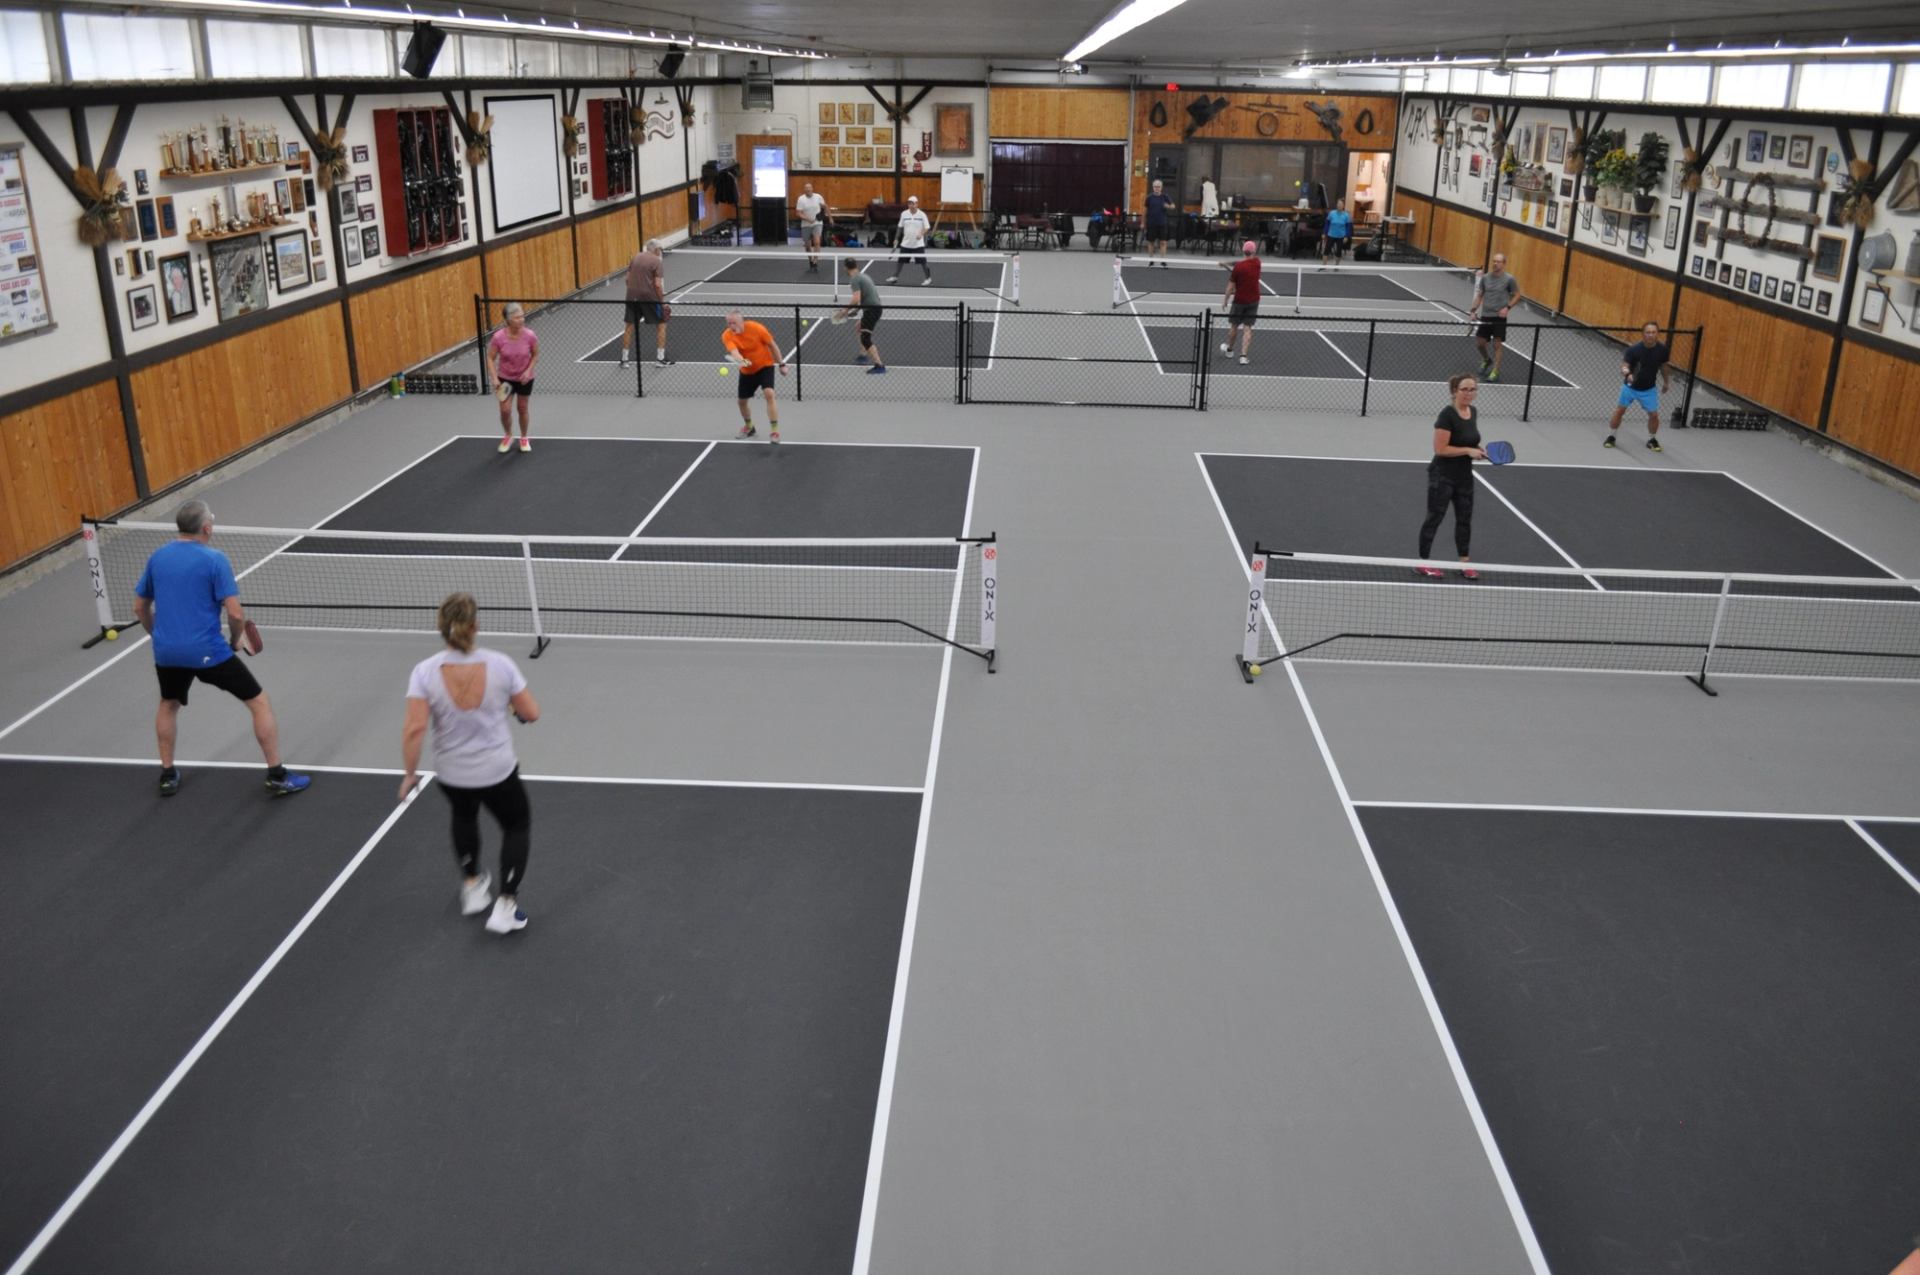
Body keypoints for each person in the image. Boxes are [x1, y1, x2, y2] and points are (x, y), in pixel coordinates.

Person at [133, 499, 310, 798]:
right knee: (258, 702)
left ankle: (167, 775)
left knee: (168, 704)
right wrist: (233, 641)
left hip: (168, 652)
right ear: (206, 527)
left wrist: (158, 636)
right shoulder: (215, 560)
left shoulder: (158, 557)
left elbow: (140, 607)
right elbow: (236, 614)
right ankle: (277, 775)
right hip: (208, 651)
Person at [400, 593, 538, 936]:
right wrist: (509, 705)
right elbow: (531, 713)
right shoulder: (501, 664)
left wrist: (409, 775)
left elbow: (415, 728)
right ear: (475, 626)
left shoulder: (424, 671)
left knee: (463, 816)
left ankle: (473, 887)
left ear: (442, 628)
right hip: (497, 771)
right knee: (516, 826)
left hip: (451, 773)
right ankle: (505, 907)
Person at [1416, 374, 1489, 580]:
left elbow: (1468, 441)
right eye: (1464, 389)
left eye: (1472, 389)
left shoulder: (1472, 411)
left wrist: (1476, 450)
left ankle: (1464, 563)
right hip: (1442, 476)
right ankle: (1423, 563)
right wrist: (1467, 450)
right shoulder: (1446, 415)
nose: (1468, 393)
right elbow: (1440, 449)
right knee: (1434, 518)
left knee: (1464, 520)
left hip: (1464, 477)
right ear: (1454, 391)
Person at [721, 310, 788, 442]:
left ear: (741, 321)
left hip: (765, 366)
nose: (731, 326)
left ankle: (774, 432)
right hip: (747, 372)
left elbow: (772, 346)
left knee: (769, 393)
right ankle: (749, 427)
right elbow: (734, 353)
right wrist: (743, 361)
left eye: (734, 322)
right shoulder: (727, 335)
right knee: (742, 402)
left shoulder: (757, 328)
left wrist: (781, 364)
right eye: (729, 323)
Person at [1606, 321, 1673, 453]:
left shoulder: (1663, 350)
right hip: (1630, 388)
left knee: (1654, 415)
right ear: (1643, 334)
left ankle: (1652, 439)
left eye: (1653, 332)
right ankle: (1611, 436)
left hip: (1649, 389)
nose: (1651, 335)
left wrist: (1666, 382)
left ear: (1657, 334)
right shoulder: (1634, 350)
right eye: (1648, 332)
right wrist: (1627, 373)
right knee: (1620, 411)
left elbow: (1664, 366)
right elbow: (1624, 365)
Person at [487, 302, 538, 453]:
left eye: (522, 316)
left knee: (522, 408)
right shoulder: (498, 338)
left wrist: (528, 371)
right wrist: (495, 378)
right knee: (504, 410)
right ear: (508, 320)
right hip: (505, 379)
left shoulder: (530, 336)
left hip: (524, 379)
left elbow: (535, 355)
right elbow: (490, 358)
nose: (521, 319)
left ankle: (524, 437)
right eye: (517, 317)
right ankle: (508, 435)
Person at [620, 239, 672, 370]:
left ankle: (624, 359)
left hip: (632, 297)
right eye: (660, 250)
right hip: (650, 299)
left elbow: (627, 279)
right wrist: (662, 302)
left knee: (629, 327)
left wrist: (635, 290)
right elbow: (658, 285)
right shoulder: (657, 262)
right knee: (661, 325)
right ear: (656, 250)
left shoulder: (636, 257)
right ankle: (660, 359)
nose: (661, 252)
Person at [1469, 253, 1520, 383]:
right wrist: (1473, 311)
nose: (1495, 264)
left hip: (1499, 317)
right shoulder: (1485, 278)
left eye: (1498, 262)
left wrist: (1507, 308)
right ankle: (1487, 360)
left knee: (1497, 344)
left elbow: (1517, 295)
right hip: (1486, 315)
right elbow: (1480, 295)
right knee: (1480, 343)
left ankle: (1495, 371)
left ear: (1504, 264)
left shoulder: (1509, 279)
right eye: (1494, 261)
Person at [838, 261, 887, 375]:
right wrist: (856, 310)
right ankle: (863, 356)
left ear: (846, 268)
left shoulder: (855, 279)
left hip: (872, 310)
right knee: (859, 327)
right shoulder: (864, 276)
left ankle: (879, 365)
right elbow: (867, 296)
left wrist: (844, 311)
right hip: (875, 308)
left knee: (865, 338)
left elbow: (856, 298)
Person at [1218, 240, 1262, 366]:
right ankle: (1243, 356)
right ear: (1253, 251)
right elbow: (1240, 263)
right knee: (1248, 328)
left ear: (1243, 251)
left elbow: (1230, 287)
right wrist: (1225, 263)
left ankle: (1230, 350)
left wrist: (1225, 300)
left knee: (1234, 326)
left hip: (1239, 301)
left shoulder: (1238, 268)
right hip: (1254, 301)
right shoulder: (1257, 263)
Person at [888, 195, 933, 285]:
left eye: (913, 203)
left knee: (923, 262)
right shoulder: (904, 214)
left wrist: (921, 234)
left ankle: (928, 278)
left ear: (917, 204)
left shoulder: (922, 215)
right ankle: (895, 277)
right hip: (906, 243)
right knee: (900, 262)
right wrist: (896, 238)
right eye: (909, 203)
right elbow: (900, 227)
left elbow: (927, 227)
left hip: (918, 244)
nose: (911, 205)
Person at [795, 182, 829, 270]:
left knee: (817, 242)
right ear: (804, 190)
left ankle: (815, 261)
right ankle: (810, 259)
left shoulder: (818, 197)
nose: (808, 189)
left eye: (809, 188)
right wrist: (808, 219)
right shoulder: (801, 199)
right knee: (807, 245)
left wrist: (828, 216)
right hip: (806, 225)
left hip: (817, 223)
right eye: (806, 188)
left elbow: (825, 206)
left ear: (812, 189)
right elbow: (798, 213)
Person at [1144, 179, 1175, 267]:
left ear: (1161, 187)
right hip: (1151, 223)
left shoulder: (1165, 196)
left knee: (1163, 242)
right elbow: (1144, 210)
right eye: (1155, 187)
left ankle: (1163, 260)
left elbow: (1173, 206)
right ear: (1153, 187)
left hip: (1162, 223)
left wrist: (1168, 206)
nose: (1157, 188)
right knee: (1151, 242)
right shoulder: (1149, 197)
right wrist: (1142, 222)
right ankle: (1151, 260)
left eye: (1158, 187)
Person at [1321, 198, 1353, 267]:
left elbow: (1348, 227)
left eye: (1341, 204)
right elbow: (1327, 224)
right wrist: (1324, 233)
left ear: (1343, 206)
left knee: (1338, 252)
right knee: (1326, 251)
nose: (1339, 205)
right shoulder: (1331, 213)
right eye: (1338, 204)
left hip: (1341, 236)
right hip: (1331, 235)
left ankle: (1336, 266)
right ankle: (1323, 266)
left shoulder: (1346, 215)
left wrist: (1346, 236)